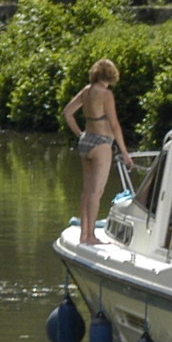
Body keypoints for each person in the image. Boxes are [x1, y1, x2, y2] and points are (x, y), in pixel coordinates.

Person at [59, 58, 129, 244]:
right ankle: (90, 236)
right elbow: (114, 125)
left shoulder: (86, 91)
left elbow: (67, 113)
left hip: (86, 141)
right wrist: (124, 151)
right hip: (102, 143)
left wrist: (80, 134)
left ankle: (84, 234)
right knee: (96, 192)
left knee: (87, 191)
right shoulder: (106, 94)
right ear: (112, 75)